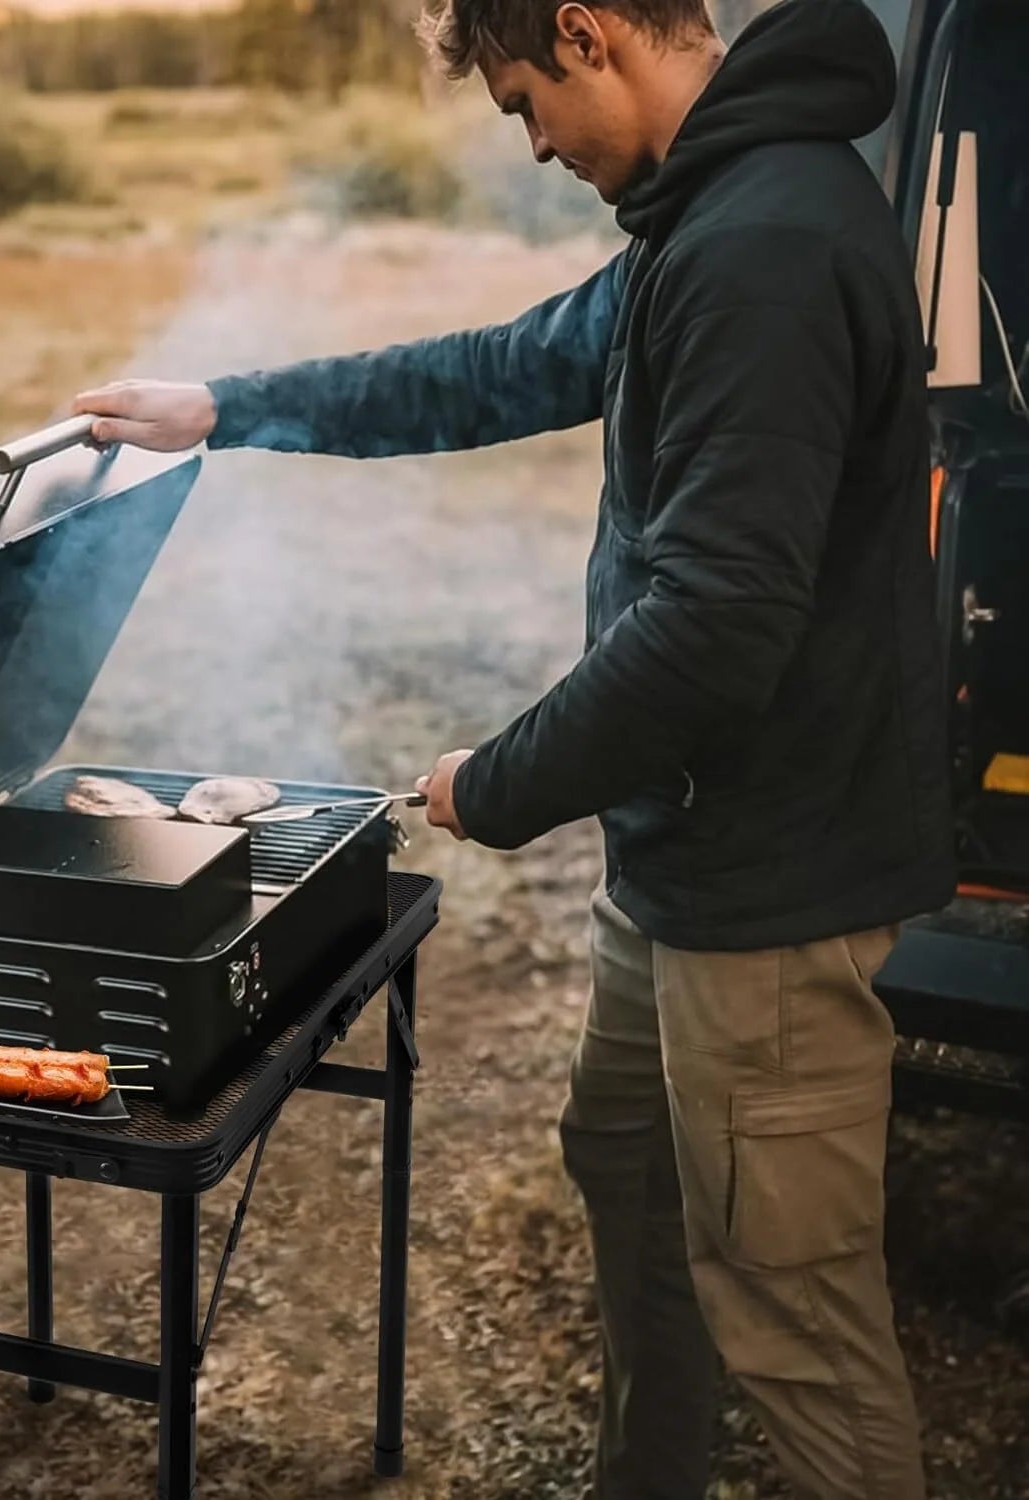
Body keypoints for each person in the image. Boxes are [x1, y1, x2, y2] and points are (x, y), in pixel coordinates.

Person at [72, 1, 955, 1494]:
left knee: (793, 1310)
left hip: (772, 878)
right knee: (624, 1159)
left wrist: (496, 784)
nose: (535, 140)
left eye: (524, 101)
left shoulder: (766, 247)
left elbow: (718, 626)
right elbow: (493, 368)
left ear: (587, 29)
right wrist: (223, 407)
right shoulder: (713, 212)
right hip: (686, 853)